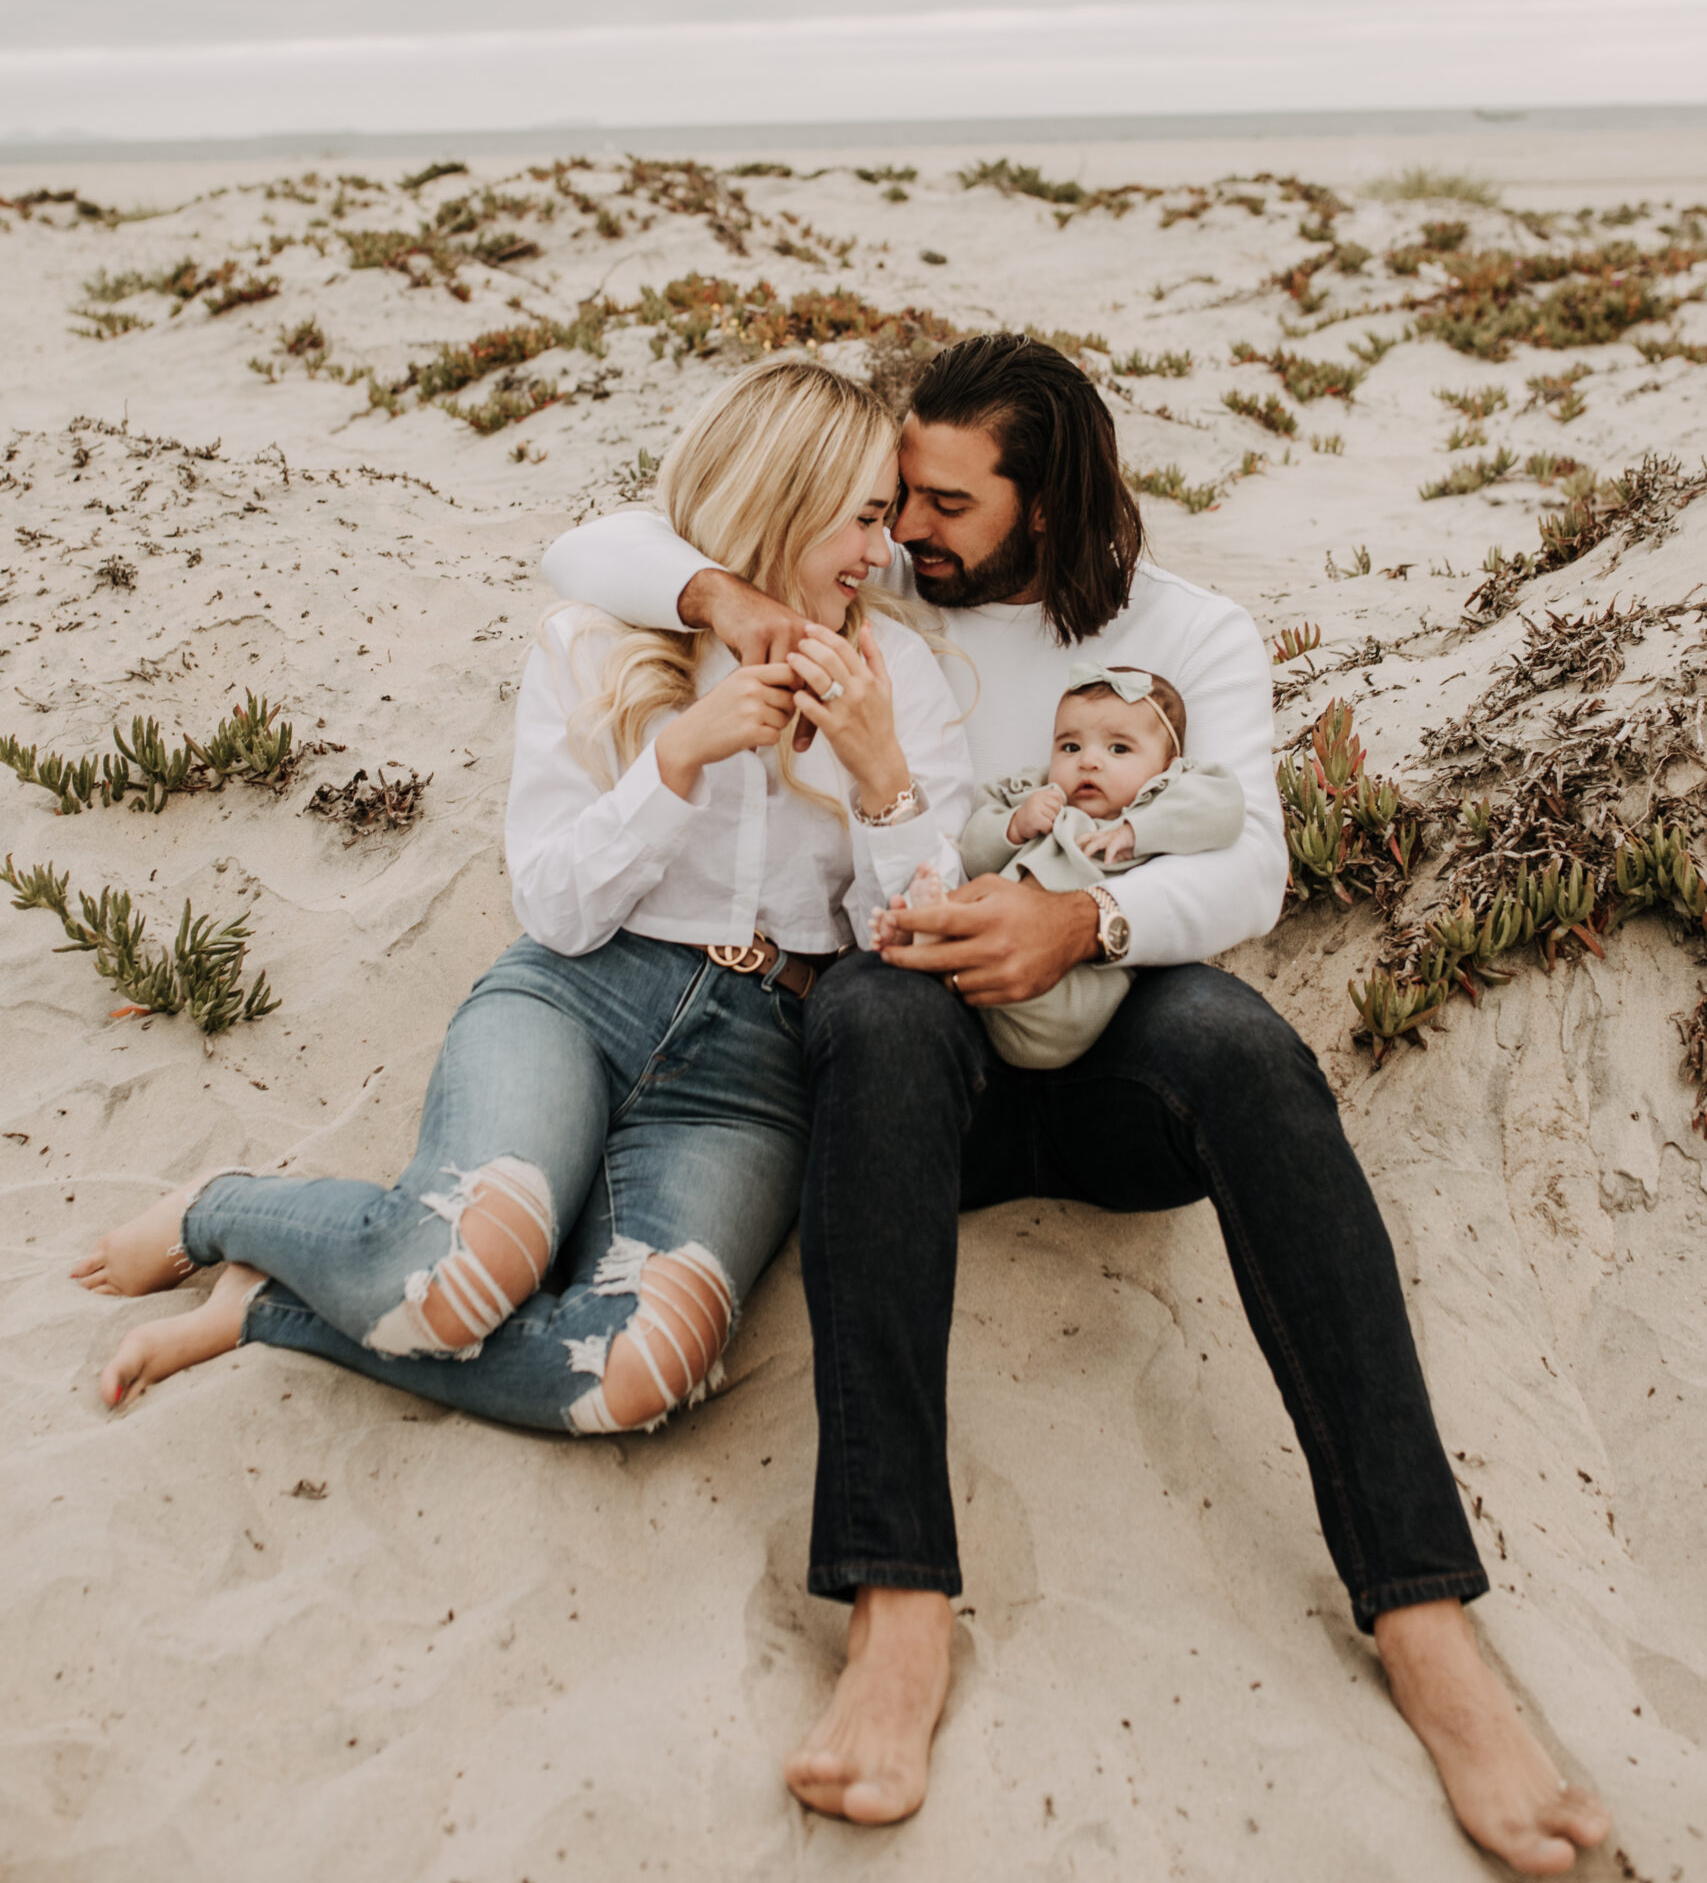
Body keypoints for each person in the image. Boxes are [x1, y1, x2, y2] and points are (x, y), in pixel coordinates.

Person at [543, 332, 1611, 1875]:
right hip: (915, 1090)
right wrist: (720, 596)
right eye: (895, 497)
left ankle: (1423, 1617)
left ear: (1046, 505)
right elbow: (600, 538)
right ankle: (898, 1603)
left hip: (1105, 1043)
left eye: (945, 503)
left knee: (1244, 1049)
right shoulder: (891, 591)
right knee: (871, 1003)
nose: (902, 531)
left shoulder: (1197, 633)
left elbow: (1245, 868)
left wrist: (1085, 924)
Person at [70, 357, 975, 1453]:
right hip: (581, 996)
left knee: (641, 1375)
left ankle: (270, 1308)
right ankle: (218, 1210)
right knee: (453, 1274)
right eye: (865, 518)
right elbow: (553, 909)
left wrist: (883, 777)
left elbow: (920, 939)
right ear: (781, 503)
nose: (885, 550)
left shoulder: (907, 679)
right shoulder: (594, 640)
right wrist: (677, 758)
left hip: (759, 1066)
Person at [874, 657, 1245, 1070]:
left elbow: (1224, 806)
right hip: (994, 963)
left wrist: (1136, 831)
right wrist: (1015, 825)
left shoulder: (1159, 800)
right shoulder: (1039, 795)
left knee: (1058, 1006)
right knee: (971, 921)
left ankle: (936, 937)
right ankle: (927, 931)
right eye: (1070, 747)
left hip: (1075, 994)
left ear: (1166, 766)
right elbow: (974, 853)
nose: (1087, 761)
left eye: (1118, 748)